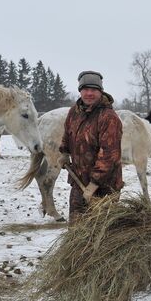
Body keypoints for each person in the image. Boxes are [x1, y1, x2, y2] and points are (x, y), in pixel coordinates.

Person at [57, 70, 123, 223]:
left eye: (93, 90)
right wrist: (64, 152)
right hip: (78, 181)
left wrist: (95, 183)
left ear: (100, 92)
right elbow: (67, 133)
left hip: (105, 188)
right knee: (76, 230)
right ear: (80, 91)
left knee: (101, 232)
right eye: (85, 89)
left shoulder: (108, 118)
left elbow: (109, 154)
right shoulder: (74, 112)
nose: (89, 93)